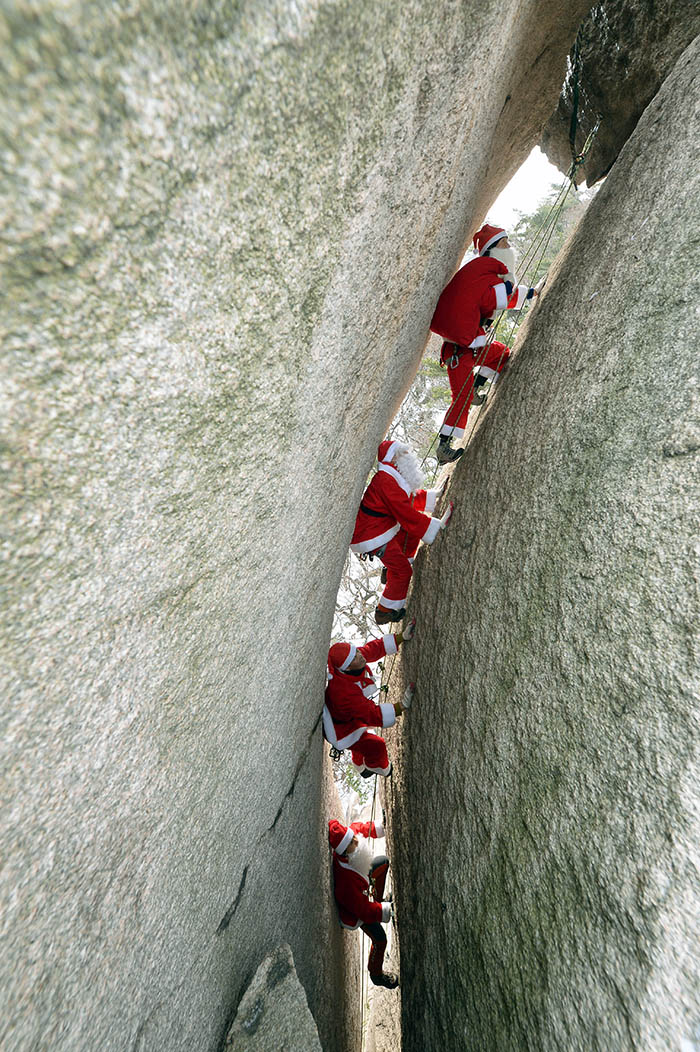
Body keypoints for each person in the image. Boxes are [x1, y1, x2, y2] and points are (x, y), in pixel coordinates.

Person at [430, 223, 540, 463]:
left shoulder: (484, 272)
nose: (510, 247)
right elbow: (493, 297)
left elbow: (495, 298)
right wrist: (517, 290)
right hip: (458, 352)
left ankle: (477, 388)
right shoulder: (482, 272)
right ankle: (443, 447)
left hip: (472, 348)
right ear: (494, 248)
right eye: (505, 243)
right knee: (461, 398)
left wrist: (530, 293)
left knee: (500, 353)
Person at [350, 439, 453, 624]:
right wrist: (435, 527)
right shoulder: (385, 480)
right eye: (403, 453)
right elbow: (404, 511)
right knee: (403, 571)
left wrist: (433, 496)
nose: (408, 456)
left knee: (409, 534)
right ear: (393, 458)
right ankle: (384, 611)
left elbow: (408, 499)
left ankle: (390, 568)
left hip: (378, 528)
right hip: (372, 535)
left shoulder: (392, 477)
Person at [324, 622, 416, 777]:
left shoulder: (353, 659)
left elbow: (372, 649)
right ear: (346, 668)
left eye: (357, 653)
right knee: (376, 745)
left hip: (348, 715)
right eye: (355, 657)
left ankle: (359, 763)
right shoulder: (344, 693)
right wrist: (402, 706)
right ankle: (379, 768)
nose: (360, 656)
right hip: (341, 729)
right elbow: (371, 713)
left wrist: (401, 637)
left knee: (362, 737)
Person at [328, 817, 398, 989]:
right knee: (380, 939)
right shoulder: (346, 881)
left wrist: (379, 828)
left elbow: (362, 828)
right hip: (356, 911)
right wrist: (384, 912)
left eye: (354, 837)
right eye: (353, 842)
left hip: (363, 891)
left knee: (382, 863)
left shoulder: (351, 839)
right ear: (345, 853)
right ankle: (376, 974)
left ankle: (379, 901)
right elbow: (363, 910)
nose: (357, 840)